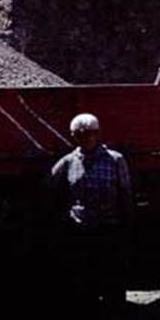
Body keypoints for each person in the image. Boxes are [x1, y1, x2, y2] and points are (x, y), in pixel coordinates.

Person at [49, 113, 133, 308]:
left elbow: (125, 193)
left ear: (98, 134)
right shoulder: (68, 162)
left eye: (90, 133)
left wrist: (127, 225)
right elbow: (49, 186)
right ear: (74, 136)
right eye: (80, 134)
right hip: (82, 230)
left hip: (109, 227)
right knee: (85, 278)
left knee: (112, 275)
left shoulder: (115, 160)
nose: (86, 138)